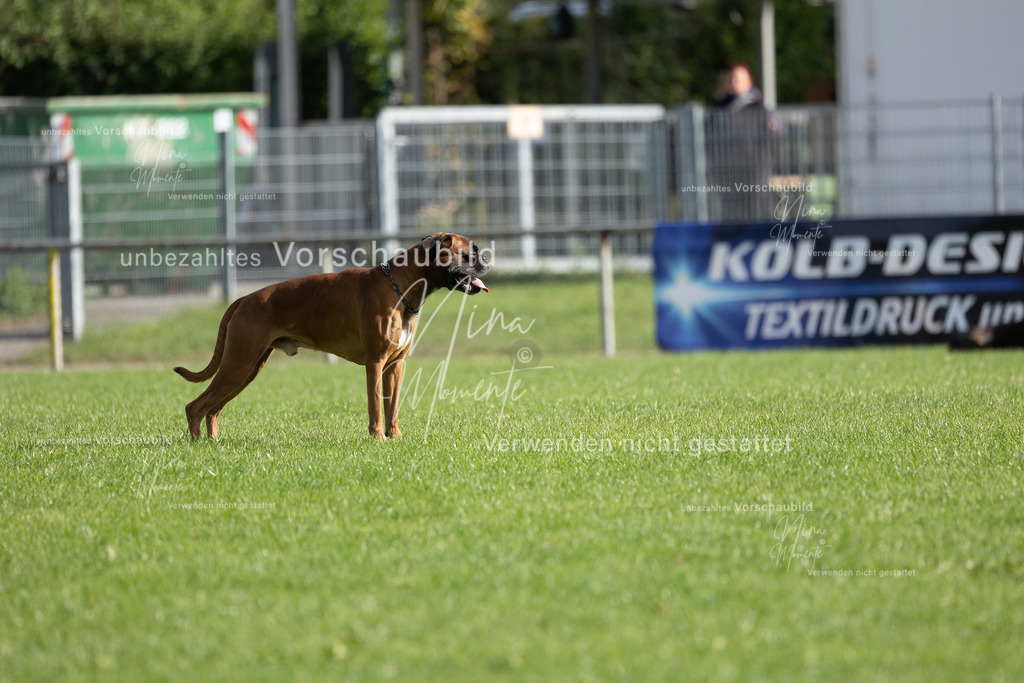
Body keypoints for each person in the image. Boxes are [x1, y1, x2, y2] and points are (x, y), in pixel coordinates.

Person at [707, 62, 775, 221]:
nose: (733, 83)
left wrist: (759, 163)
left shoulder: (760, 109)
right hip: (727, 173)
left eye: (738, 79)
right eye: (730, 79)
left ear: (749, 81)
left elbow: (772, 139)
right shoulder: (719, 109)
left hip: (754, 173)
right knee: (731, 213)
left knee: (757, 212)